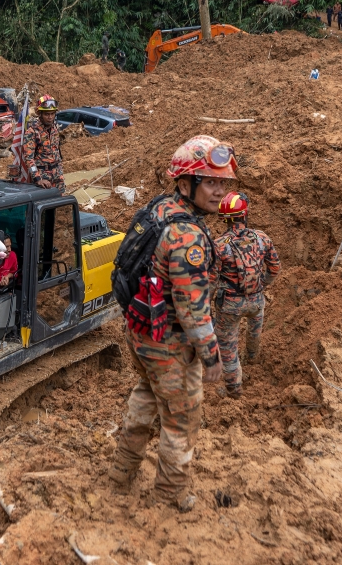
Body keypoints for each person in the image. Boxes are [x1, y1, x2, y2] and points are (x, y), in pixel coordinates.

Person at [109, 135, 236, 512]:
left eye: (223, 183)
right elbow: (192, 308)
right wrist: (213, 357)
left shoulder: (160, 208)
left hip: (142, 330)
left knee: (146, 396)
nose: (219, 192)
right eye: (210, 182)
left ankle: (120, 474)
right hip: (170, 342)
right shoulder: (188, 236)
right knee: (181, 419)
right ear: (185, 184)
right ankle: (169, 494)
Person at [211, 192, 280, 397]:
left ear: (224, 217)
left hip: (229, 306)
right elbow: (275, 269)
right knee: (254, 331)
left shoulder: (219, 245)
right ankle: (252, 358)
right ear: (244, 213)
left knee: (227, 345)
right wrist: (261, 285)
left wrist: (203, 306)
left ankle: (234, 389)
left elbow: (211, 281)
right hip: (257, 300)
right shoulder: (262, 238)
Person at [22, 94, 65, 193]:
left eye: (52, 114)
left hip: (57, 175)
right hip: (43, 177)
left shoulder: (55, 129)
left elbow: (57, 152)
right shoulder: (32, 132)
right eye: (46, 114)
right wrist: (38, 179)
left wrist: (60, 171)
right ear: (40, 114)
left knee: (60, 204)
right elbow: (29, 158)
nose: (50, 117)